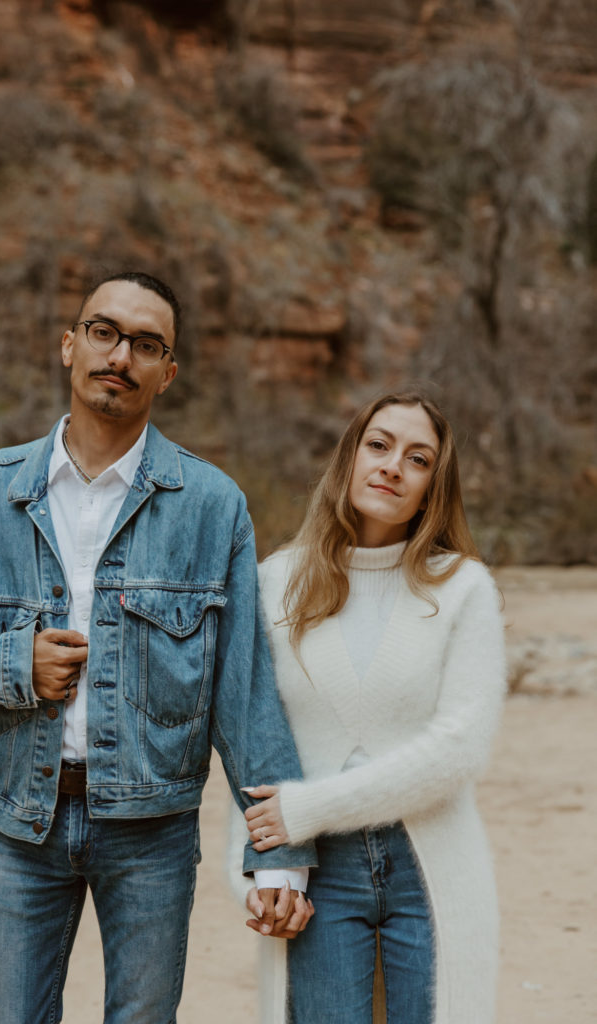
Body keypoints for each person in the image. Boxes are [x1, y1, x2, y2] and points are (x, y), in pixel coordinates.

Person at [0, 271, 315, 1024]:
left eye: (145, 344)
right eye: (103, 332)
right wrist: (12, 663)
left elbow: (243, 686)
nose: (119, 356)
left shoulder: (211, 506)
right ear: (70, 345)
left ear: (167, 372)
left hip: (153, 835)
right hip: (21, 823)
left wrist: (279, 851)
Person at [237, 392, 506, 1024]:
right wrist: (262, 872)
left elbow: (459, 749)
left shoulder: (463, 588)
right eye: (379, 445)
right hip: (317, 870)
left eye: (417, 459)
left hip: (431, 864)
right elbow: (253, 731)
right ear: (350, 457)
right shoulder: (277, 580)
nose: (392, 466)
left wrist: (308, 809)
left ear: (432, 488)